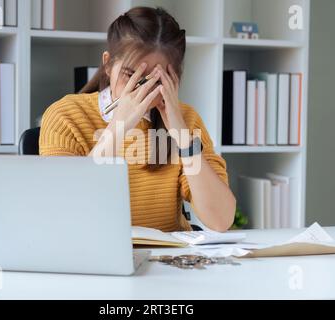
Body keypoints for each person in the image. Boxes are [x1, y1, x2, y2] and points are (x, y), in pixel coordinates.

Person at [39, 6, 236, 232]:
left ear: (175, 79)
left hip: (167, 259)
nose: (143, 89)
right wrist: (118, 128)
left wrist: (182, 137)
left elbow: (221, 220)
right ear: (108, 64)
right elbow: (62, 207)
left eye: (156, 80)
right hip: (91, 257)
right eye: (131, 75)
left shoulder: (187, 120)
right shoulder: (65, 115)